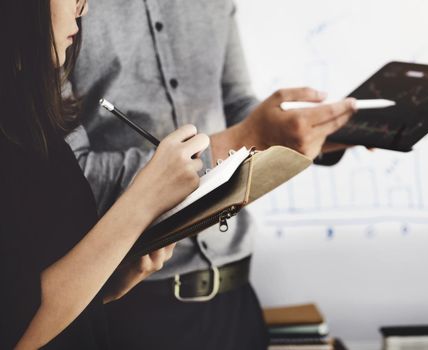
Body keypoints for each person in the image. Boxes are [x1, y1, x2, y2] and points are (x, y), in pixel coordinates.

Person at [68, 1, 357, 349]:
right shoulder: (59, 13)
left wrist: (309, 129)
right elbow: (71, 175)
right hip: (127, 304)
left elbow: (238, 108)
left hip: (236, 298)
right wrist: (248, 137)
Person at [0, 0, 209, 349]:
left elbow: (43, 285)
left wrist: (111, 279)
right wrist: (143, 202)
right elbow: (15, 327)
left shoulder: (28, 117)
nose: (83, 9)